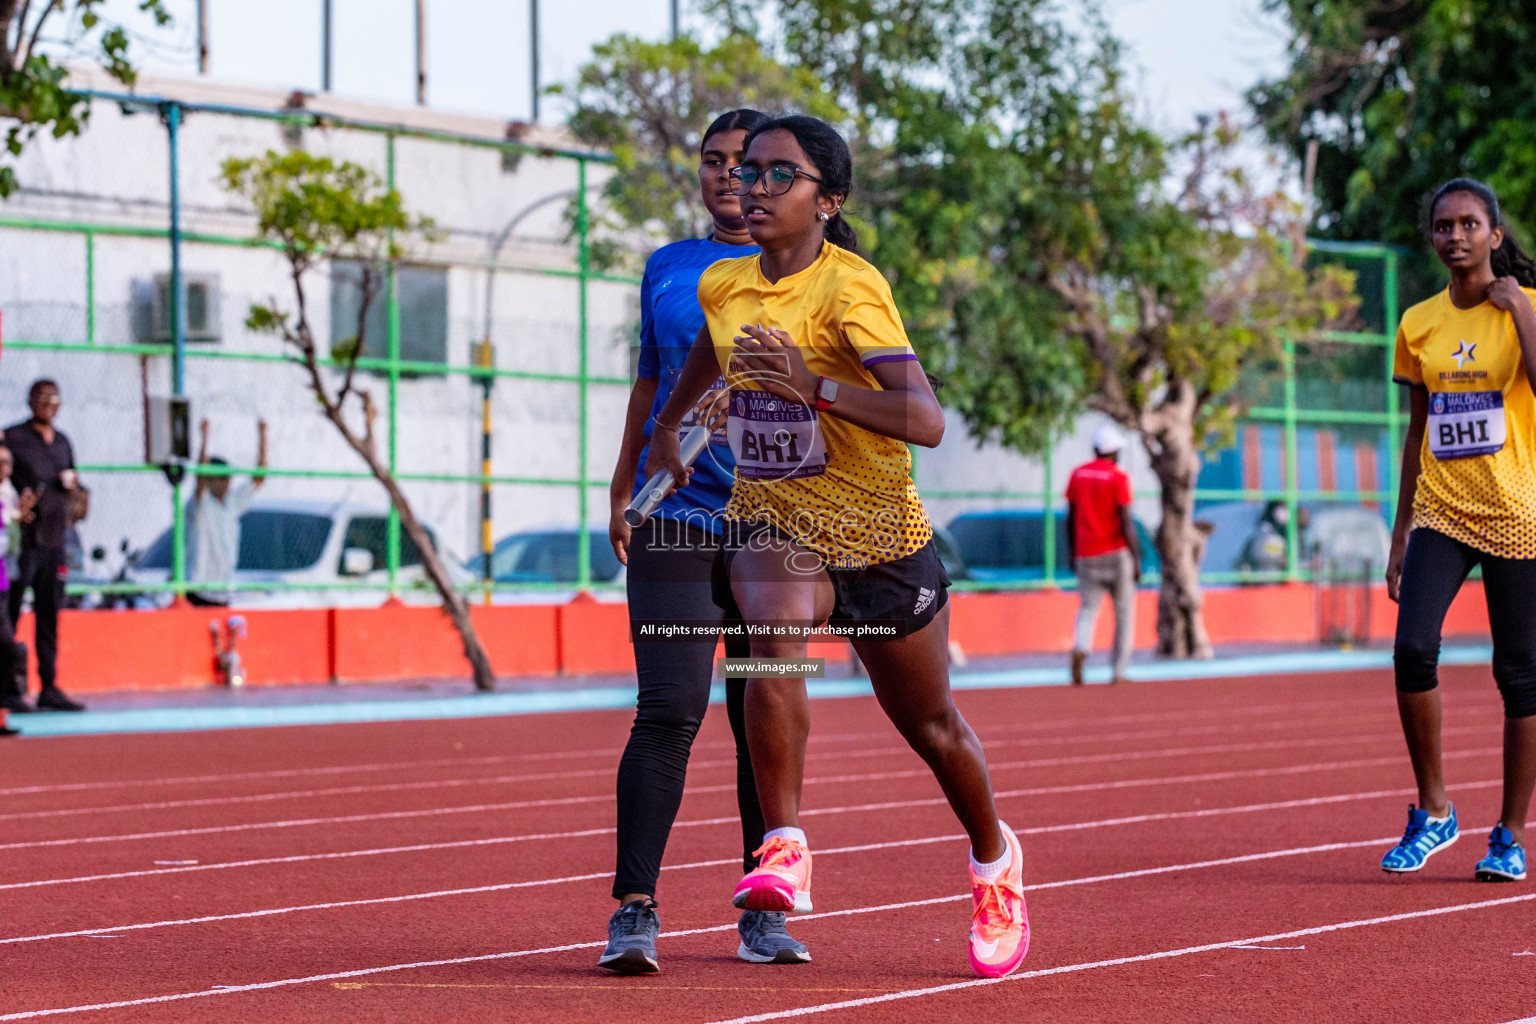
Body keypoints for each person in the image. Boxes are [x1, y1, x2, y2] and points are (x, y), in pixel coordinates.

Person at [646, 114, 1029, 979]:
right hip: (776, 517)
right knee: (770, 637)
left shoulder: (851, 289)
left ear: (830, 200)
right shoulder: (726, 285)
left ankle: (993, 861)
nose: (755, 188)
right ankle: (782, 845)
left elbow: (924, 420)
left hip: (879, 535)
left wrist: (810, 386)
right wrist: (671, 425)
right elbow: (713, 350)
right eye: (749, 174)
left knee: (931, 727)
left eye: (781, 175)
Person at [598, 109, 810, 974]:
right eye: (717, 162)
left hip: (778, 525)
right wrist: (621, 485)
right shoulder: (669, 268)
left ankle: (763, 912)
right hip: (675, 521)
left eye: (753, 167)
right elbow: (650, 383)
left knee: (764, 717)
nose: (734, 179)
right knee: (671, 707)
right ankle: (634, 912)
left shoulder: (818, 273)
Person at [1380, 178, 1536, 883]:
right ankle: (1435, 810)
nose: (1456, 236)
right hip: (1442, 510)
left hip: (1517, 512)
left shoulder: (1525, 309)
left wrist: (1519, 312)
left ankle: (1508, 833)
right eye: (1444, 226)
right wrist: (1400, 534)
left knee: (1521, 676)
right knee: (1412, 649)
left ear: (1496, 236)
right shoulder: (1418, 323)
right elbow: (1417, 434)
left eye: (1471, 224)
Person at [4, 379, 85, 712]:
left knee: (49, 616)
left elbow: (75, 485)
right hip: (23, 543)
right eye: (44, 399)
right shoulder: (14, 438)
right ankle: (7, 687)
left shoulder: (63, 442)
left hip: (55, 542)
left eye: (56, 399)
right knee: (8, 616)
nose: (50, 405)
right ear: (31, 402)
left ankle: (48, 685)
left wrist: (78, 495)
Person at [1064, 424, 1143, 685]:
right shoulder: (1118, 477)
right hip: (1116, 553)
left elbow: (1071, 517)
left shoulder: (1078, 474)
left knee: (1087, 609)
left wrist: (1072, 552)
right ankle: (1119, 670)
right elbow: (1125, 520)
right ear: (1112, 451)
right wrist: (1137, 558)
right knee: (1123, 613)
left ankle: (1081, 649)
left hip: (1086, 553)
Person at [187, 418, 267, 606]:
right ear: (211, 480)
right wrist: (204, 439)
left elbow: (259, 478)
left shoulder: (231, 503)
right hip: (198, 590)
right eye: (220, 478)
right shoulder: (200, 504)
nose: (226, 483)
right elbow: (200, 477)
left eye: (228, 478)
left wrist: (263, 436)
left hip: (222, 591)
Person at [0, 442, 34, 727]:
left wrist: (19, 517)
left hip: (2, 582)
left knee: (8, 649)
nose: (5, 469)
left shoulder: (7, 495)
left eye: (8, 463)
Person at [1239, 499, 1290, 573]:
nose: (1284, 511)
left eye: (1285, 507)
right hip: (1262, 577)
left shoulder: (1291, 534)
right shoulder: (1262, 532)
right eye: (1281, 507)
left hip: (1280, 579)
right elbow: (1250, 558)